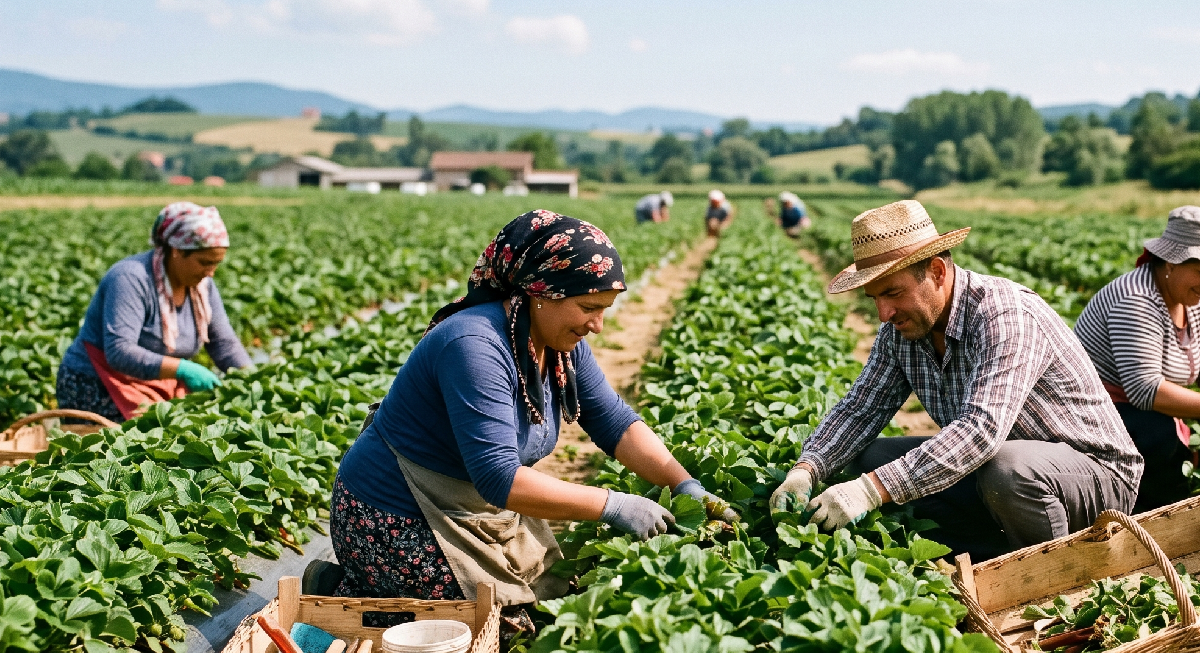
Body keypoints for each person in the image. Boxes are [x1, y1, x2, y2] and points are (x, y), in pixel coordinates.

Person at [329, 210, 736, 610]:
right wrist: (613, 505)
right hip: (393, 515)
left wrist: (686, 485)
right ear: (542, 294)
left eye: (604, 308)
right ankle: (343, 590)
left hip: (472, 509)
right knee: (501, 623)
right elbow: (499, 478)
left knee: (555, 598)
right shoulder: (474, 345)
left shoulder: (561, 346)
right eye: (588, 307)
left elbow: (615, 422)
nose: (597, 324)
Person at [769, 200, 1142, 561]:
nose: (884, 313)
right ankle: (987, 552)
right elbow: (861, 410)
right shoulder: (902, 329)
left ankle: (1052, 572)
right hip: (999, 473)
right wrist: (808, 468)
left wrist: (872, 490)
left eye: (893, 293)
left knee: (1007, 470)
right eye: (874, 298)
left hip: (1092, 474)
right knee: (866, 457)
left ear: (937, 272)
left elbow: (981, 431)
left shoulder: (1004, 315)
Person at [56, 202, 250, 423]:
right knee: (138, 446)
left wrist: (253, 380)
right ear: (177, 251)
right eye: (204, 262)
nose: (211, 272)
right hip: (96, 385)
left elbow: (224, 344)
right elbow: (120, 351)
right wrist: (183, 369)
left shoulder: (202, 287)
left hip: (154, 384)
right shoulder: (130, 278)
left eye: (216, 264)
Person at [1075, 206, 1200, 513]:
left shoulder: (1190, 298)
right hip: (1091, 415)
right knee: (1162, 438)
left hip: (1138, 410)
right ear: (1172, 261)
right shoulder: (1136, 299)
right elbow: (1146, 390)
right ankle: (1151, 523)